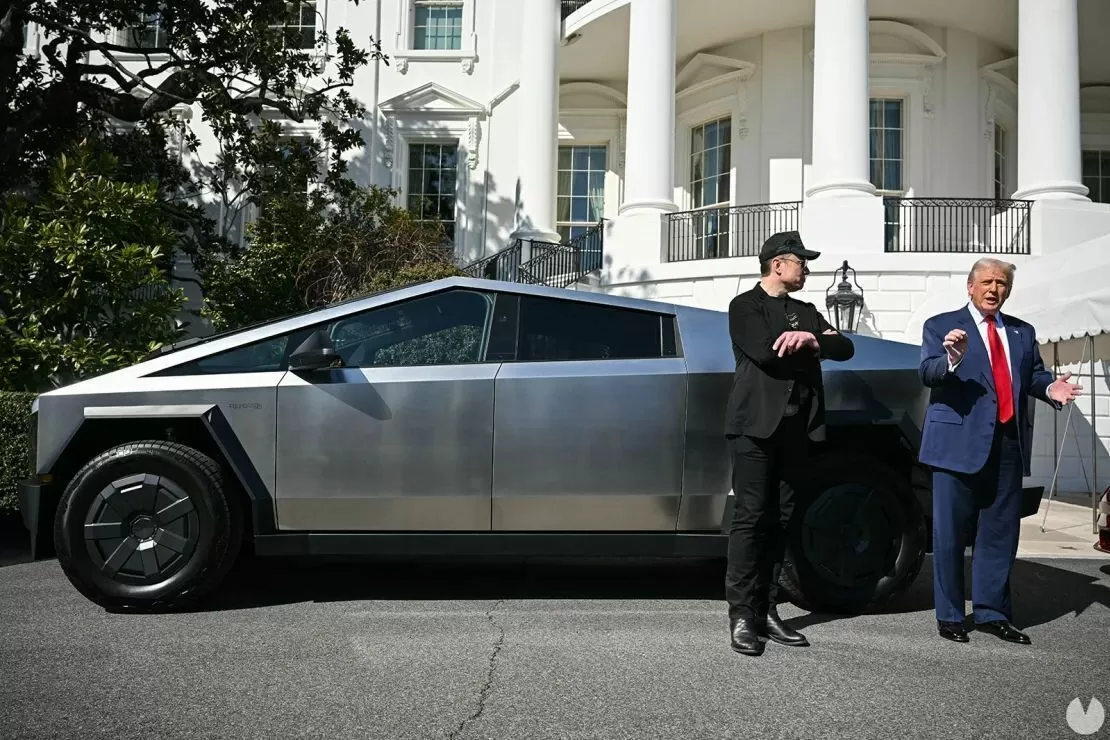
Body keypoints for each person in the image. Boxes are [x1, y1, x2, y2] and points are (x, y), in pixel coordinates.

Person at [919, 257, 1082, 645]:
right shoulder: (941, 325)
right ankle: (951, 615)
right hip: (956, 446)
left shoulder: (1022, 332)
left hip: (1008, 444)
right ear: (971, 286)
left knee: (1000, 534)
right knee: (950, 535)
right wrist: (952, 359)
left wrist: (1050, 388)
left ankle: (992, 613)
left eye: (1002, 283)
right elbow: (927, 372)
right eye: (987, 282)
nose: (995, 289)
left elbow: (1034, 376)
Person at [723, 230, 855, 656]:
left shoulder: (807, 311)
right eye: (802, 262)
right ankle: (742, 615)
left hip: (799, 429)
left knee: (782, 520)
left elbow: (845, 347)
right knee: (750, 519)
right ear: (777, 264)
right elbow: (765, 353)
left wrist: (813, 339)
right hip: (755, 427)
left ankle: (767, 610)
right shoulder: (745, 306)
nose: (807, 270)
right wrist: (814, 346)